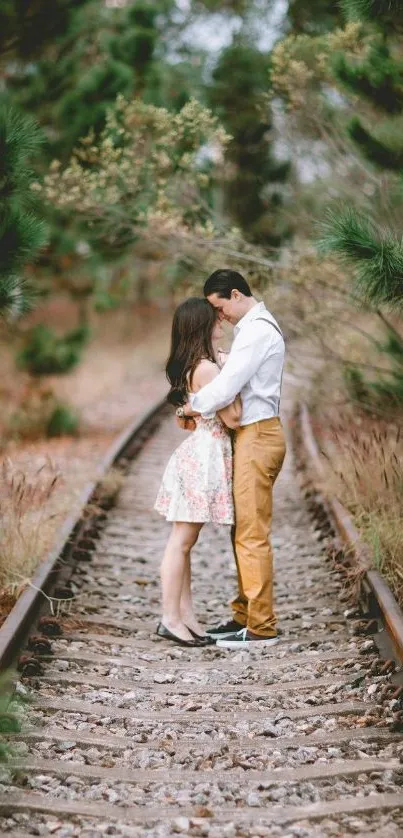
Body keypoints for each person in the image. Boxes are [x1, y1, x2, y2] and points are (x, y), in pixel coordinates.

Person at [178, 269, 286, 648]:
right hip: (252, 437)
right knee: (241, 529)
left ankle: (260, 627)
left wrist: (192, 407)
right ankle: (245, 614)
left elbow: (226, 388)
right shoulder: (250, 330)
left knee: (251, 533)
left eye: (218, 306)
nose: (217, 316)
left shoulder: (256, 331)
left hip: (258, 436)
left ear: (235, 294)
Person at [154, 297, 241, 647]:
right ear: (202, 326)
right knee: (182, 541)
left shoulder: (201, 363)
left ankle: (185, 616)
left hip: (200, 453)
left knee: (185, 542)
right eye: (214, 318)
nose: (221, 321)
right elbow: (232, 417)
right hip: (203, 456)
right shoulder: (206, 368)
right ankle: (170, 617)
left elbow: (192, 413)